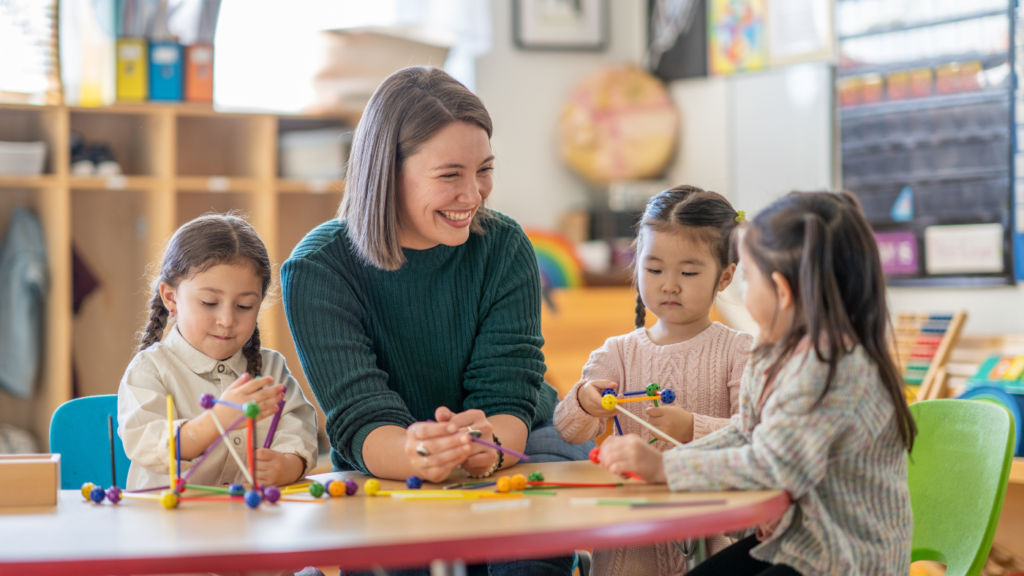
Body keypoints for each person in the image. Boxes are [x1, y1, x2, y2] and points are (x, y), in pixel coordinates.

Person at [281, 66, 589, 576]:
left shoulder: (504, 247)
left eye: (484, 170)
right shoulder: (319, 268)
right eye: (450, 175)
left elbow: (509, 397)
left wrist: (485, 449)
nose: (474, 195)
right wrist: (420, 454)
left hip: (518, 447)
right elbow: (361, 419)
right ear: (386, 171)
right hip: (390, 471)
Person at [596, 191, 916, 576]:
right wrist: (665, 462)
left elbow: (774, 467)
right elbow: (747, 434)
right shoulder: (774, 352)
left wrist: (667, 471)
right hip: (798, 542)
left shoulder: (835, 368)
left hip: (847, 560)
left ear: (780, 291)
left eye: (748, 277)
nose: (743, 291)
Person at [554, 185, 753, 575]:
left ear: (725, 276)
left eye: (689, 272)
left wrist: (691, 427)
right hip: (631, 547)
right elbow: (568, 431)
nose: (669, 284)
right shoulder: (617, 352)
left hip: (711, 542)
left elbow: (756, 434)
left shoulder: (738, 351)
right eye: (654, 269)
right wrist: (584, 401)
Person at [118, 213, 318, 491]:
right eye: (209, 302)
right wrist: (218, 419)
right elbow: (148, 443)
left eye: (245, 306)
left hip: (248, 522)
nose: (226, 320)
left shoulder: (271, 369)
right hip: (167, 524)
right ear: (170, 297)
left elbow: (299, 429)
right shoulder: (149, 370)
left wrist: (288, 465)